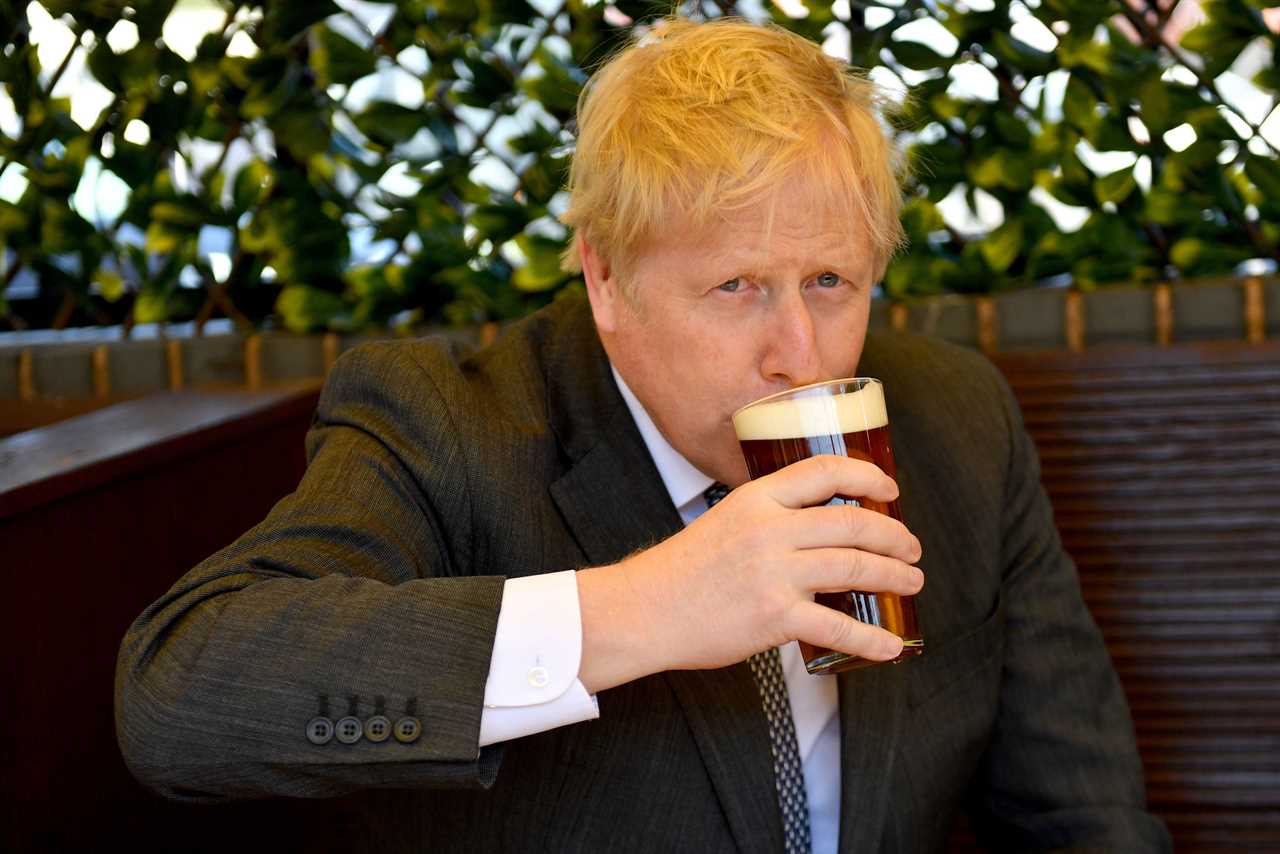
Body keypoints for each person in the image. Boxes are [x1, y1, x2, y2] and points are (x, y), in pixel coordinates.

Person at [115, 17, 1171, 853]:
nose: (798, 352)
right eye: (736, 285)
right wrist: (642, 606)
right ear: (605, 277)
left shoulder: (952, 417)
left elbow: (1081, 816)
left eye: (829, 281)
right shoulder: (451, 419)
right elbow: (181, 698)